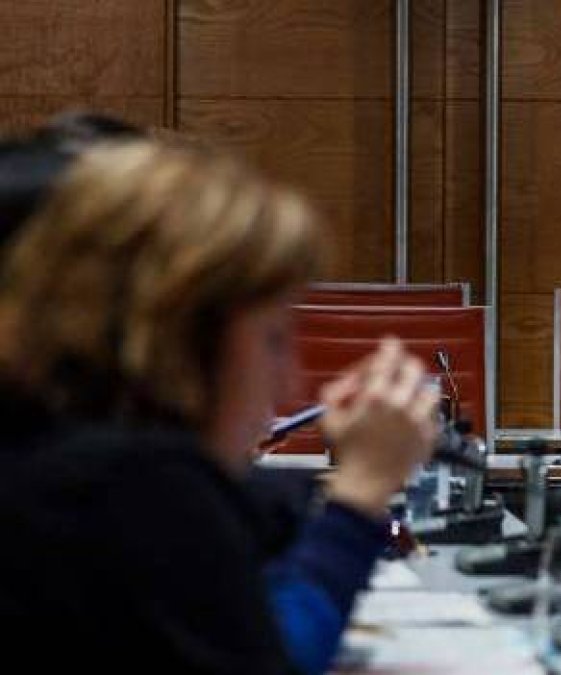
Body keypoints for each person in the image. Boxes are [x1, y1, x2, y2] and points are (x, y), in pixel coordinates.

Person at [0, 140, 439, 673]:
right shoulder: (133, 485)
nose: (290, 383)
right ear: (184, 339)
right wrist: (362, 492)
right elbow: (281, 654)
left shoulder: (43, 457)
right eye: (273, 339)